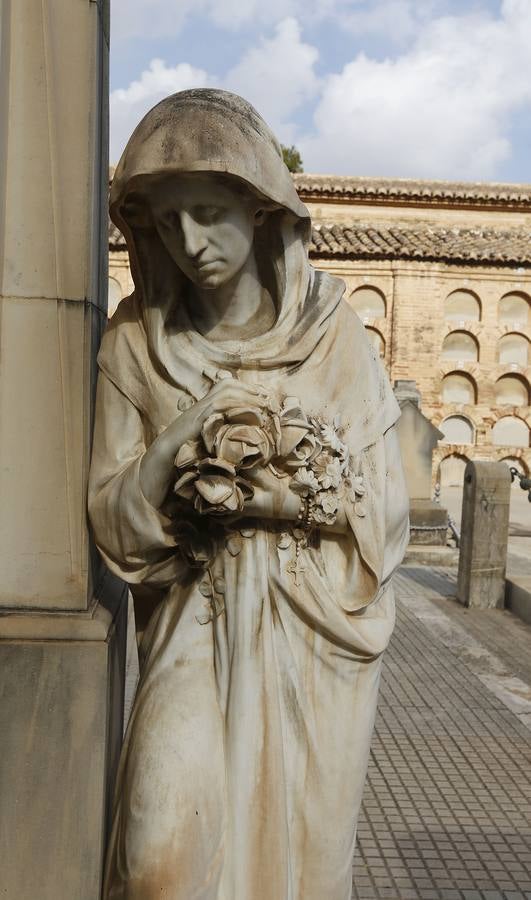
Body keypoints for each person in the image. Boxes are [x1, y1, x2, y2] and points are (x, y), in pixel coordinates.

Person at [89, 88, 409, 900]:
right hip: (190, 628)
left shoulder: (332, 335)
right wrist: (176, 445)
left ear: (261, 211)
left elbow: (384, 511)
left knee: (292, 868)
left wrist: (286, 501)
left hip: (313, 644)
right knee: (157, 861)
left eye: (206, 211)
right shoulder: (133, 344)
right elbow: (113, 523)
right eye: (165, 221)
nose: (190, 241)